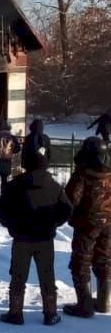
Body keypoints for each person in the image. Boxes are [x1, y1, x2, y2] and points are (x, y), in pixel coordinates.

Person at [0, 150, 71, 326]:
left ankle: (15, 313)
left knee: (18, 276)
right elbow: (67, 209)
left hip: (21, 238)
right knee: (47, 276)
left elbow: (0, 208)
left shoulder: (15, 185)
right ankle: (50, 313)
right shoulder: (54, 186)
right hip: (45, 239)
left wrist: (11, 226)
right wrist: (54, 223)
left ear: (26, 164)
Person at [63, 135, 111, 317]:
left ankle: (84, 305)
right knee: (105, 259)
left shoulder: (82, 175)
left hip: (87, 224)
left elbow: (71, 200)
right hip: (109, 223)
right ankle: (104, 303)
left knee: (81, 261)